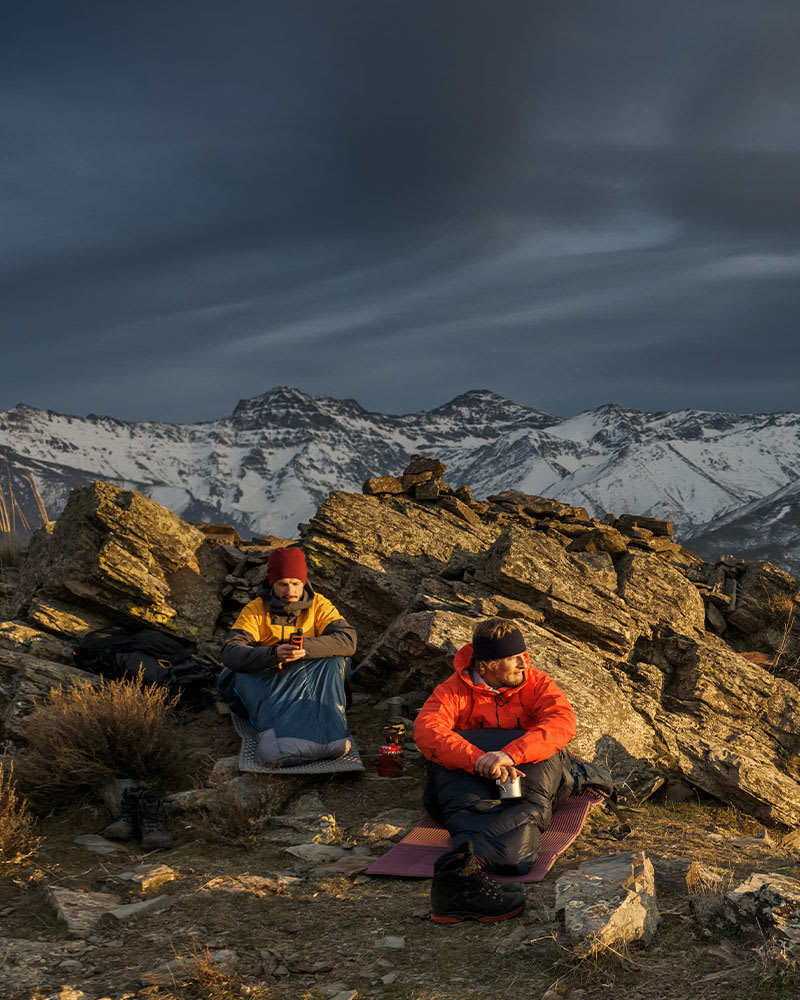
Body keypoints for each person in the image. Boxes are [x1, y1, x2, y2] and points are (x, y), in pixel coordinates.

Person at [414, 617, 577, 923]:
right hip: (472, 773)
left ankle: (470, 865)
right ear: (486, 666)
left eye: (523, 655)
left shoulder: (536, 683)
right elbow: (427, 730)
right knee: (469, 809)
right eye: (513, 658)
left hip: (522, 768)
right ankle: (469, 868)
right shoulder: (454, 690)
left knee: (526, 812)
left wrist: (509, 755)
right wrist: (478, 760)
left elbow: (562, 721)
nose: (524, 663)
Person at [218, 546, 357, 765]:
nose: (289, 590)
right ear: (272, 583)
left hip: (306, 677)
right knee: (242, 674)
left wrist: (303, 649)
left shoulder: (319, 605)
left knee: (337, 661)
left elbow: (347, 639)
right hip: (271, 677)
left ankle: (328, 730)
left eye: (295, 583)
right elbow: (230, 652)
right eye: (282, 584)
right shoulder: (256, 610)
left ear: (304, 582)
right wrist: (273, 654)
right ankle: (281, 738)